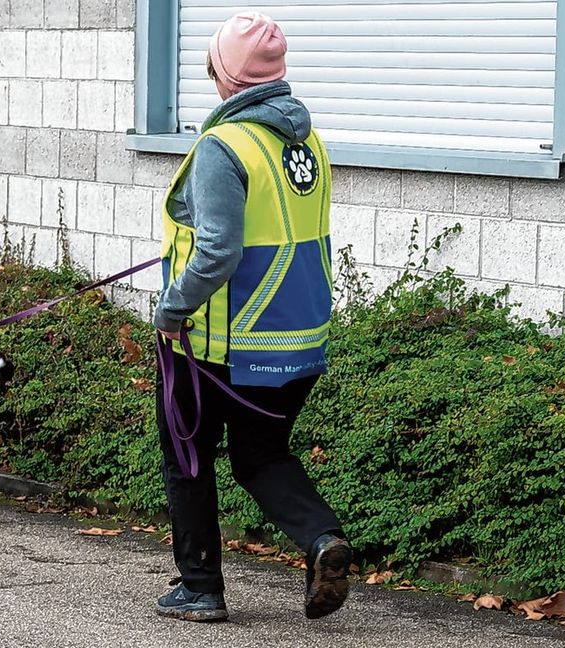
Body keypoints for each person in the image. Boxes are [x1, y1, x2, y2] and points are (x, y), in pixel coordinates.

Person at [152, 11, 351, 623]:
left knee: (187, 453)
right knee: (261, 455)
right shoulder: (305, 140)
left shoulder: (225, 145)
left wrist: (171, 308)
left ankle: (200, 588)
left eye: (211, 63)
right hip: (297, 335)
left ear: (226, 75)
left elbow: (219, 250)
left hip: (216, 341)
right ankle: (322, 539)